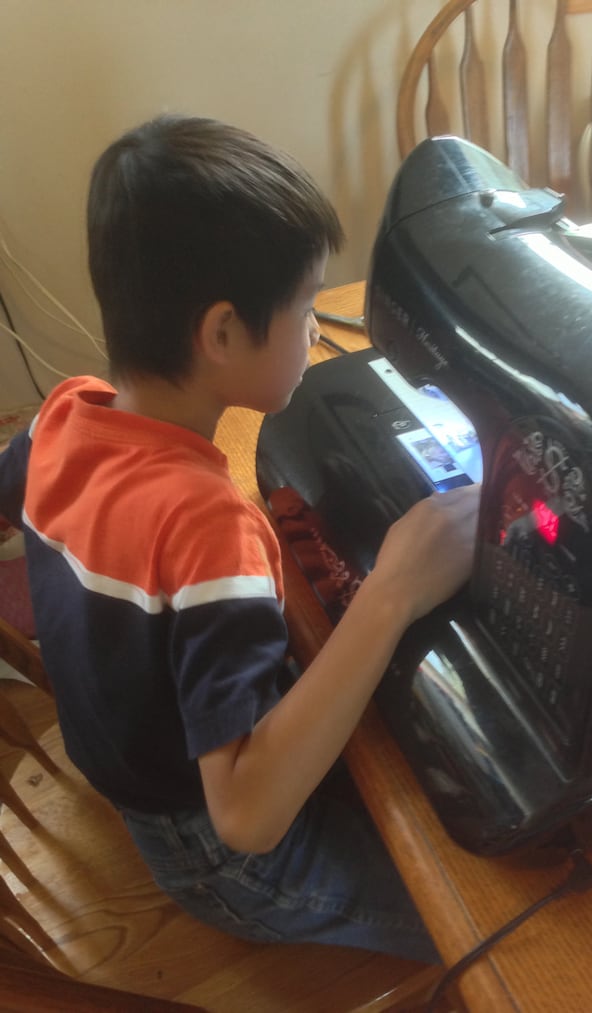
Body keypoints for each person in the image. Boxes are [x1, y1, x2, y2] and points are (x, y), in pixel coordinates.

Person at [0, 114, 479, 963]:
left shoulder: (59, 418)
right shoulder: (207, 530)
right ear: (221, 333)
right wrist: (395, 589)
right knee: (491, 917)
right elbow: (248, 818)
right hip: (224, 858)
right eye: (305, 308)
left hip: (142, 771)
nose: (314, 329)